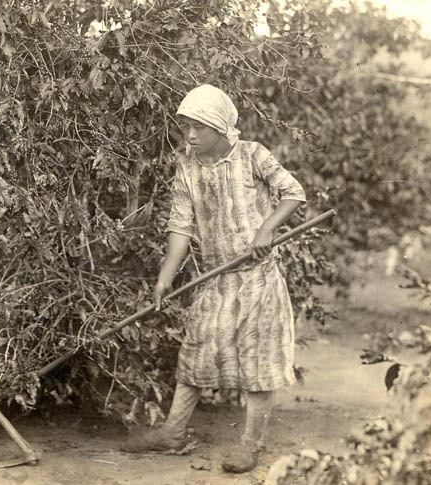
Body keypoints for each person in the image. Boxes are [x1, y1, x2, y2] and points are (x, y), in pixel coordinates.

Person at [120, 85, 306, 474]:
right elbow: (180, 229)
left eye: (199, 128)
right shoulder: (187, 168)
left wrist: (266, 230)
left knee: (257, 361)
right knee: (196, 352)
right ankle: (173, 432)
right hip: (214, 279)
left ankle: (250, 445)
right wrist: (164, 279)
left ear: (220, 127)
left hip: (256, 276)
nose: (190, 136)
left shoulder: (253, 156)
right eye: (186, 127)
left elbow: (293, 193)